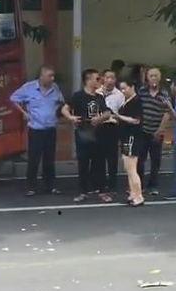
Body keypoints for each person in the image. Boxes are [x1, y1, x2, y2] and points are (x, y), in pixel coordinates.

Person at [10, 65, 64, 196]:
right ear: (42, 76)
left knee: (49, 159)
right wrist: (24, 112)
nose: (52, 78)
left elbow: (61, 102)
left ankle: (50, 186)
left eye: (53, 76)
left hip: (50, 128)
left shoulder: (55, 88)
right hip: (36, 129)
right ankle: (31, 187)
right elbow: (13, 98)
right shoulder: (29, 88)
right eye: (50, 76)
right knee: (34, 159)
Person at [62, 69, 113, 203]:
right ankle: (82, 191)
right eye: (97, 79)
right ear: (88, 80)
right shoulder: (78, 96)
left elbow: (107, 112)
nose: (99, 81)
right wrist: (71, 118)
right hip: (83, 133)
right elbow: (64, 109)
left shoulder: (99, 97)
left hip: (98, 134)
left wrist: (100, 118)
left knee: (100, 163)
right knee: (83, 163)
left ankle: (102, 191)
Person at [137, 67, 168, 195]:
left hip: (157, 131)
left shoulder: (164, 94)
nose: (153, 78)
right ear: (147, 78)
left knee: (156, 160)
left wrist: (160, 130)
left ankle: (153, 185)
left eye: (156, 76)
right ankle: (139, 185)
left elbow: (167, 113)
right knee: (140, 159)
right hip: (143, 131)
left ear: (159, 78)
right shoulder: (142, 92)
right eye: (151, 76)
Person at [116, 79, 144, 206]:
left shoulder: (137, 101)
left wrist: (119, 116)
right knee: (128, 167)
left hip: (132, 137)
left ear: (132, 87)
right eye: (121, 89)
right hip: (125, 137)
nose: (123, 91)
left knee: (132, 168)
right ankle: (133, 193)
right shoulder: (126, 102)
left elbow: (135, 120)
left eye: (124, 88)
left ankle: (139, 196)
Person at [97, 69, 124, 193]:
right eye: (107, 77)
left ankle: (112, 184)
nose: (109, 80)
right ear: (103, 78)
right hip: (99, 126)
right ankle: (100, 183)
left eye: (112, 78)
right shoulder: (97, 92)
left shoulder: (119, 95)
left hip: (112, 127)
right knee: (99, 156)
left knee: (112, 157)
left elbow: (122, 112)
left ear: (115, 80)